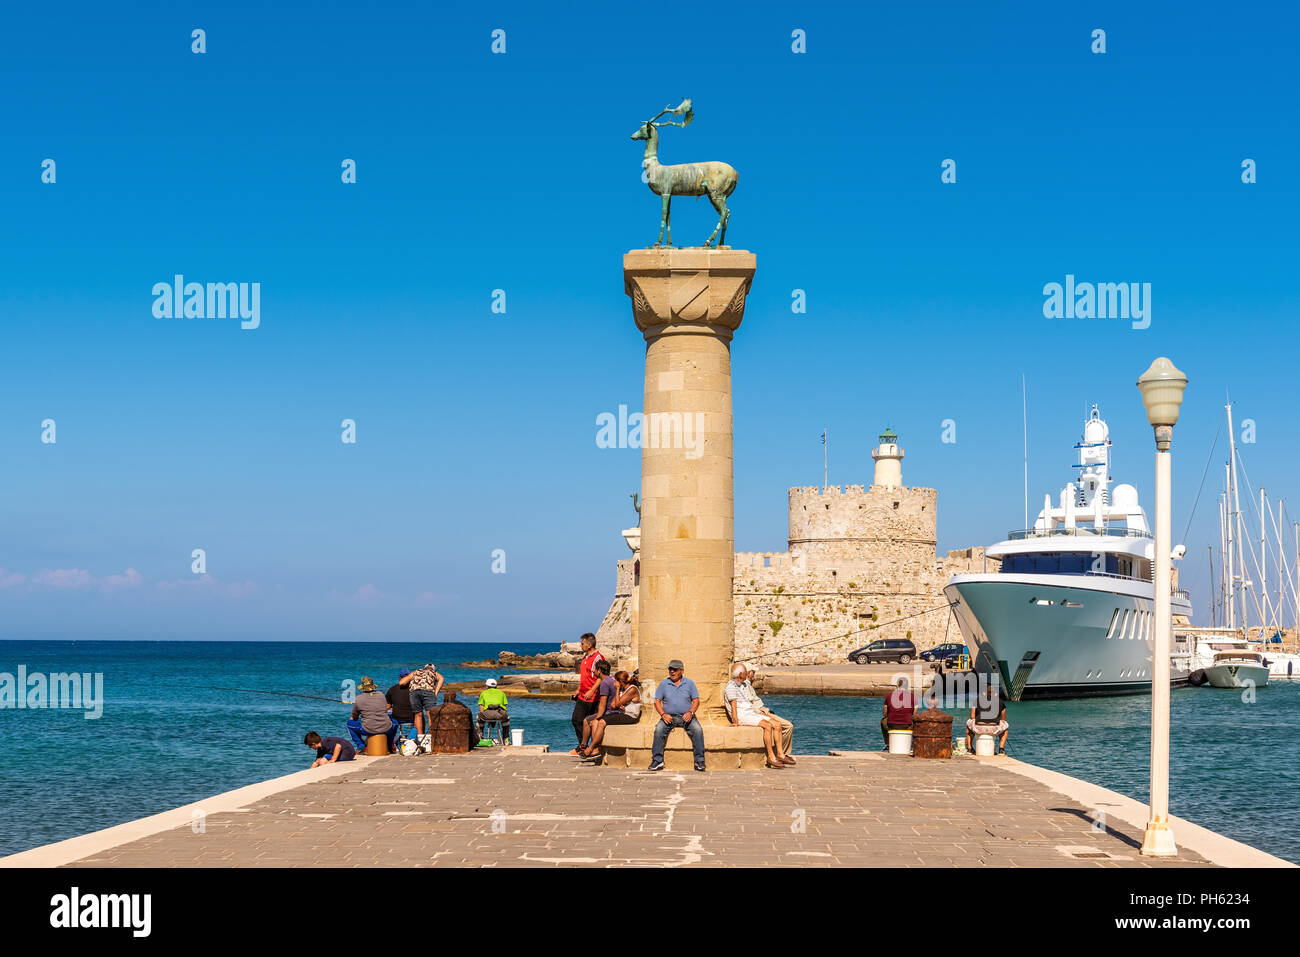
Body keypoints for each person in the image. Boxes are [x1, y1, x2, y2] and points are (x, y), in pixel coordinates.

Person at [724, 663, 791, 769]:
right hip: (743, 715)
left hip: (750, 713)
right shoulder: (730, 687)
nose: (747, 673)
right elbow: (733, 706)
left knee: (777, 724)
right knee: (768, 725)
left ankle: (780, 754)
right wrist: (735, 722)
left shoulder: (743, 685)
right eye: (746, 671)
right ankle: (771, 756)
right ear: (741, 674)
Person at [650, 659, 705, 772]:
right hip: (668, 717)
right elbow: (657, 701)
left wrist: (691, 712)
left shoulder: (689, 683)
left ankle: (699, 761)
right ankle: (657, 761)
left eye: (675, 669)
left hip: (686, 716)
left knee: (698, 730)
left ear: (681, 670)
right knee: (658, 730)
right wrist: (663, 714)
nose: (672, 671)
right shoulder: (664, 683)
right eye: (670, 669)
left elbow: (696, 700)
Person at [742, 665, 796, 765]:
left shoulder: (748, 684)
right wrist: (763, 714)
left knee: (783, 725)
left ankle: (781, 753)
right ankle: (781, 753)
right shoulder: (744, 685)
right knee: (788, 726)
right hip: (761, 712)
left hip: (763, 710)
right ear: (749, 674)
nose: (754, 677)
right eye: (753, 674)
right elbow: (750, 704)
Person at [568, 633, 606, 755]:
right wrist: (579, 689)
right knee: (576, 720)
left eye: (582, 643)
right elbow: (585, 677)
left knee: (591, 722)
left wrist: (592, 690)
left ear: (589, 645)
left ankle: (593, 748)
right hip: (582, 696)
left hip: (594, 697)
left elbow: (601, 677)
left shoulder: (598, 658)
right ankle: (583, 746)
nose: (581, 645)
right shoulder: (585, 657)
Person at [348, 676, 400, 752]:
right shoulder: (381, 695)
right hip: (386, 728)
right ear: (373, 686)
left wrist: (354, 717)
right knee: (395, 723)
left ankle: (361, 746)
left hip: (368, 729)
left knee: (349, 724)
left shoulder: (358, 698)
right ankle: (388, 746)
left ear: (363, 687)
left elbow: (355, 717)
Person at [966, 679, 1009, 754]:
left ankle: (970, 748)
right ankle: (1001, 749)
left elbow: (972, 716)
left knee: (968, 726)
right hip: (994, 728)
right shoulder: (1001, 702)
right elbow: (1004, 719)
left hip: (979, 727)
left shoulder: (977, 700)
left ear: (984, 693)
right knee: (1005, 728)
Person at [407, 661, 445, 741]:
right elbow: (441, 678)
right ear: (433, 669)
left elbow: (401, 682)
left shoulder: (416, 671)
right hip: (428, 691)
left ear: (424, 668)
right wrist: (436, 692)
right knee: (430, 715)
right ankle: (432, 738)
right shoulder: (433, 672)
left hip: (414, 691)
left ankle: (420, 738)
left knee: (418, 715)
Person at [881, 676, 916, 749]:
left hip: (891, 724)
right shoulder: (913, 697)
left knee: (883, 721)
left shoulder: (889, 695)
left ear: (897, 686)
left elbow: (884, 713)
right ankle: (913, 745)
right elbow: (914, 715)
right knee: (917, 722)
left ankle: (888, 744)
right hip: (907, 725)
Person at [476, 678, 511, 743]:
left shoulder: (483, 693)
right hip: (500, 713)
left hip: (487, 714)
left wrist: (483, 716)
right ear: (496, 686)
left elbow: (481, 707)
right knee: (506, 719)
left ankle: (480, 738)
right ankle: (506, 739)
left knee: (479, 718)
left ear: (486, 686)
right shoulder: (502, 693)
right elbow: (505, 707)